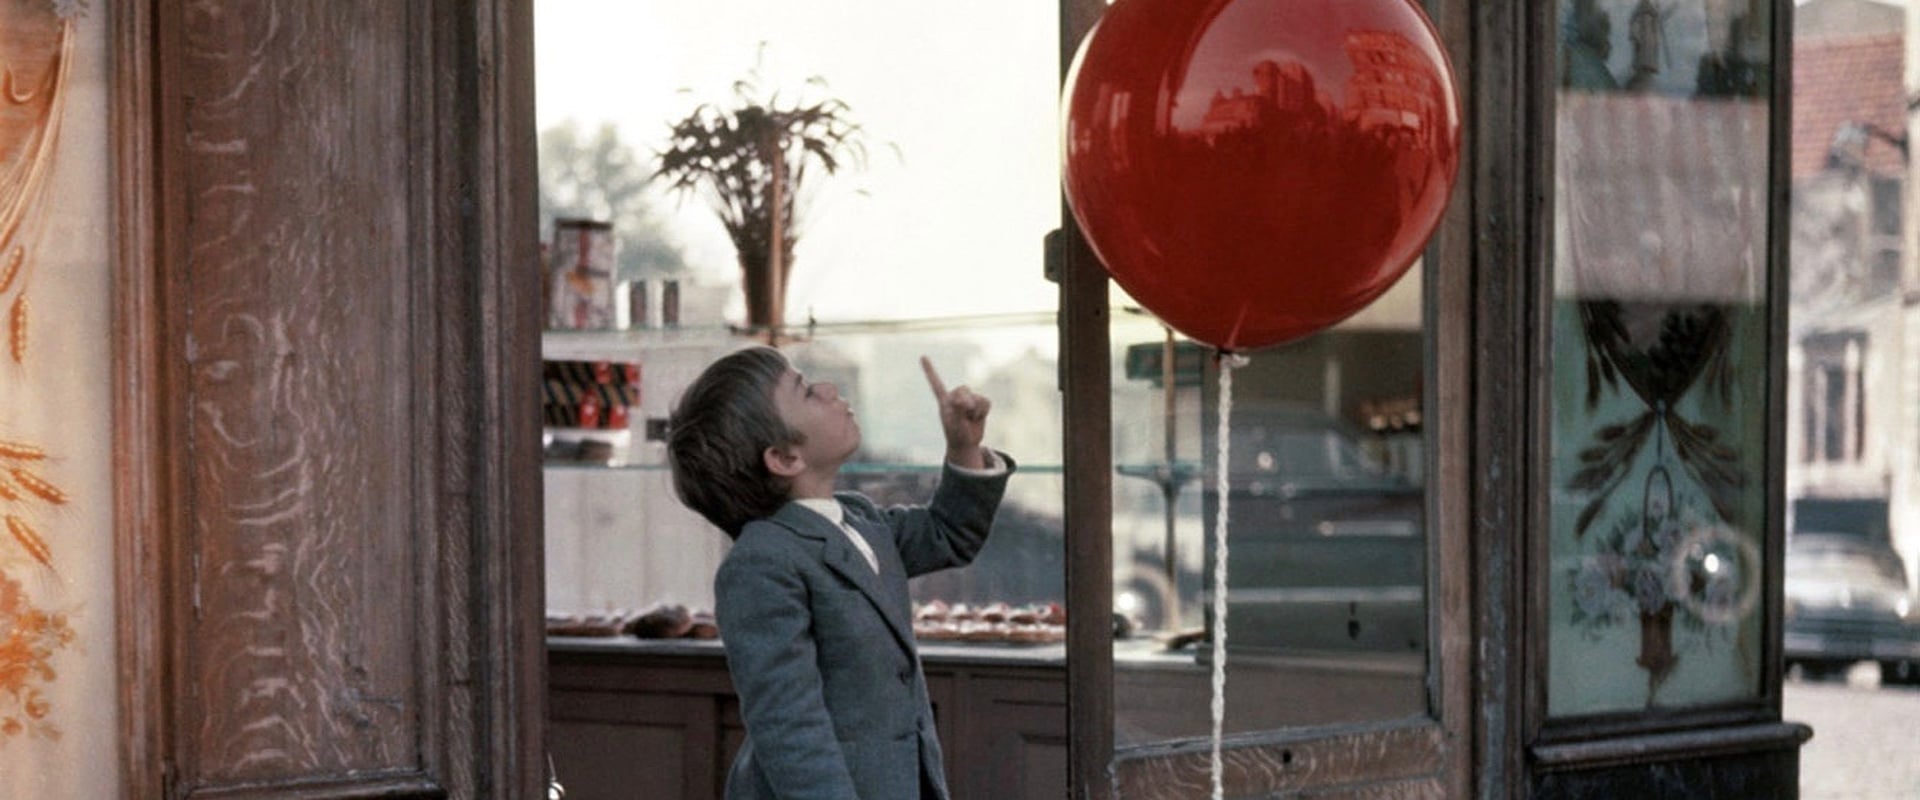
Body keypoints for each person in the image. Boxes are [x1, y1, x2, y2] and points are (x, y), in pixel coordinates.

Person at [666, 346, 1012, 800]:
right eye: (806, 391)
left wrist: (963, 447)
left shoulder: (860, 519)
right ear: (785, 458)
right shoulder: (760, 562)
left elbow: (949, 534)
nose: (829, 389)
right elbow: (790, 725)